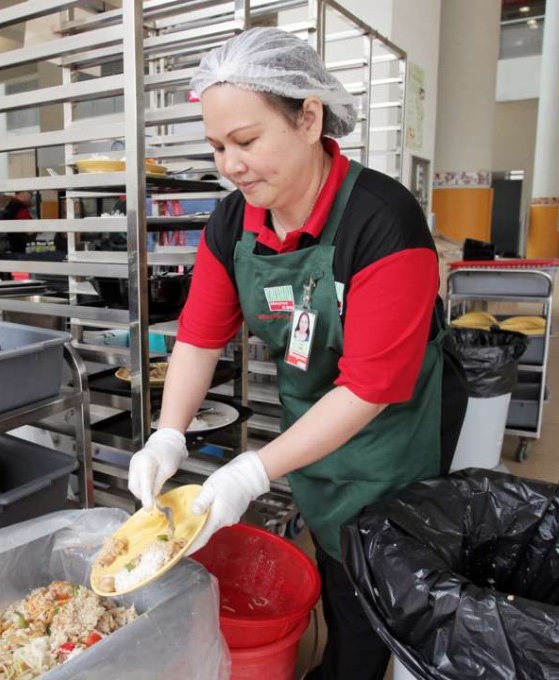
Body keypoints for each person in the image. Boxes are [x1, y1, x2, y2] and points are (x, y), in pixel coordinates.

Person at [126, 28, 467, 680]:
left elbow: (369, 387)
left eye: (247, 142)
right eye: (218, 146)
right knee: (331, 559)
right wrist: (167, 435)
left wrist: (253, 473)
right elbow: (199, 336)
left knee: (373, 577)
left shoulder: (382, 221)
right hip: (314, 415)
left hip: (393, 428)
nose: (230, 164)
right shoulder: (233, 223)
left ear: (309, 118)